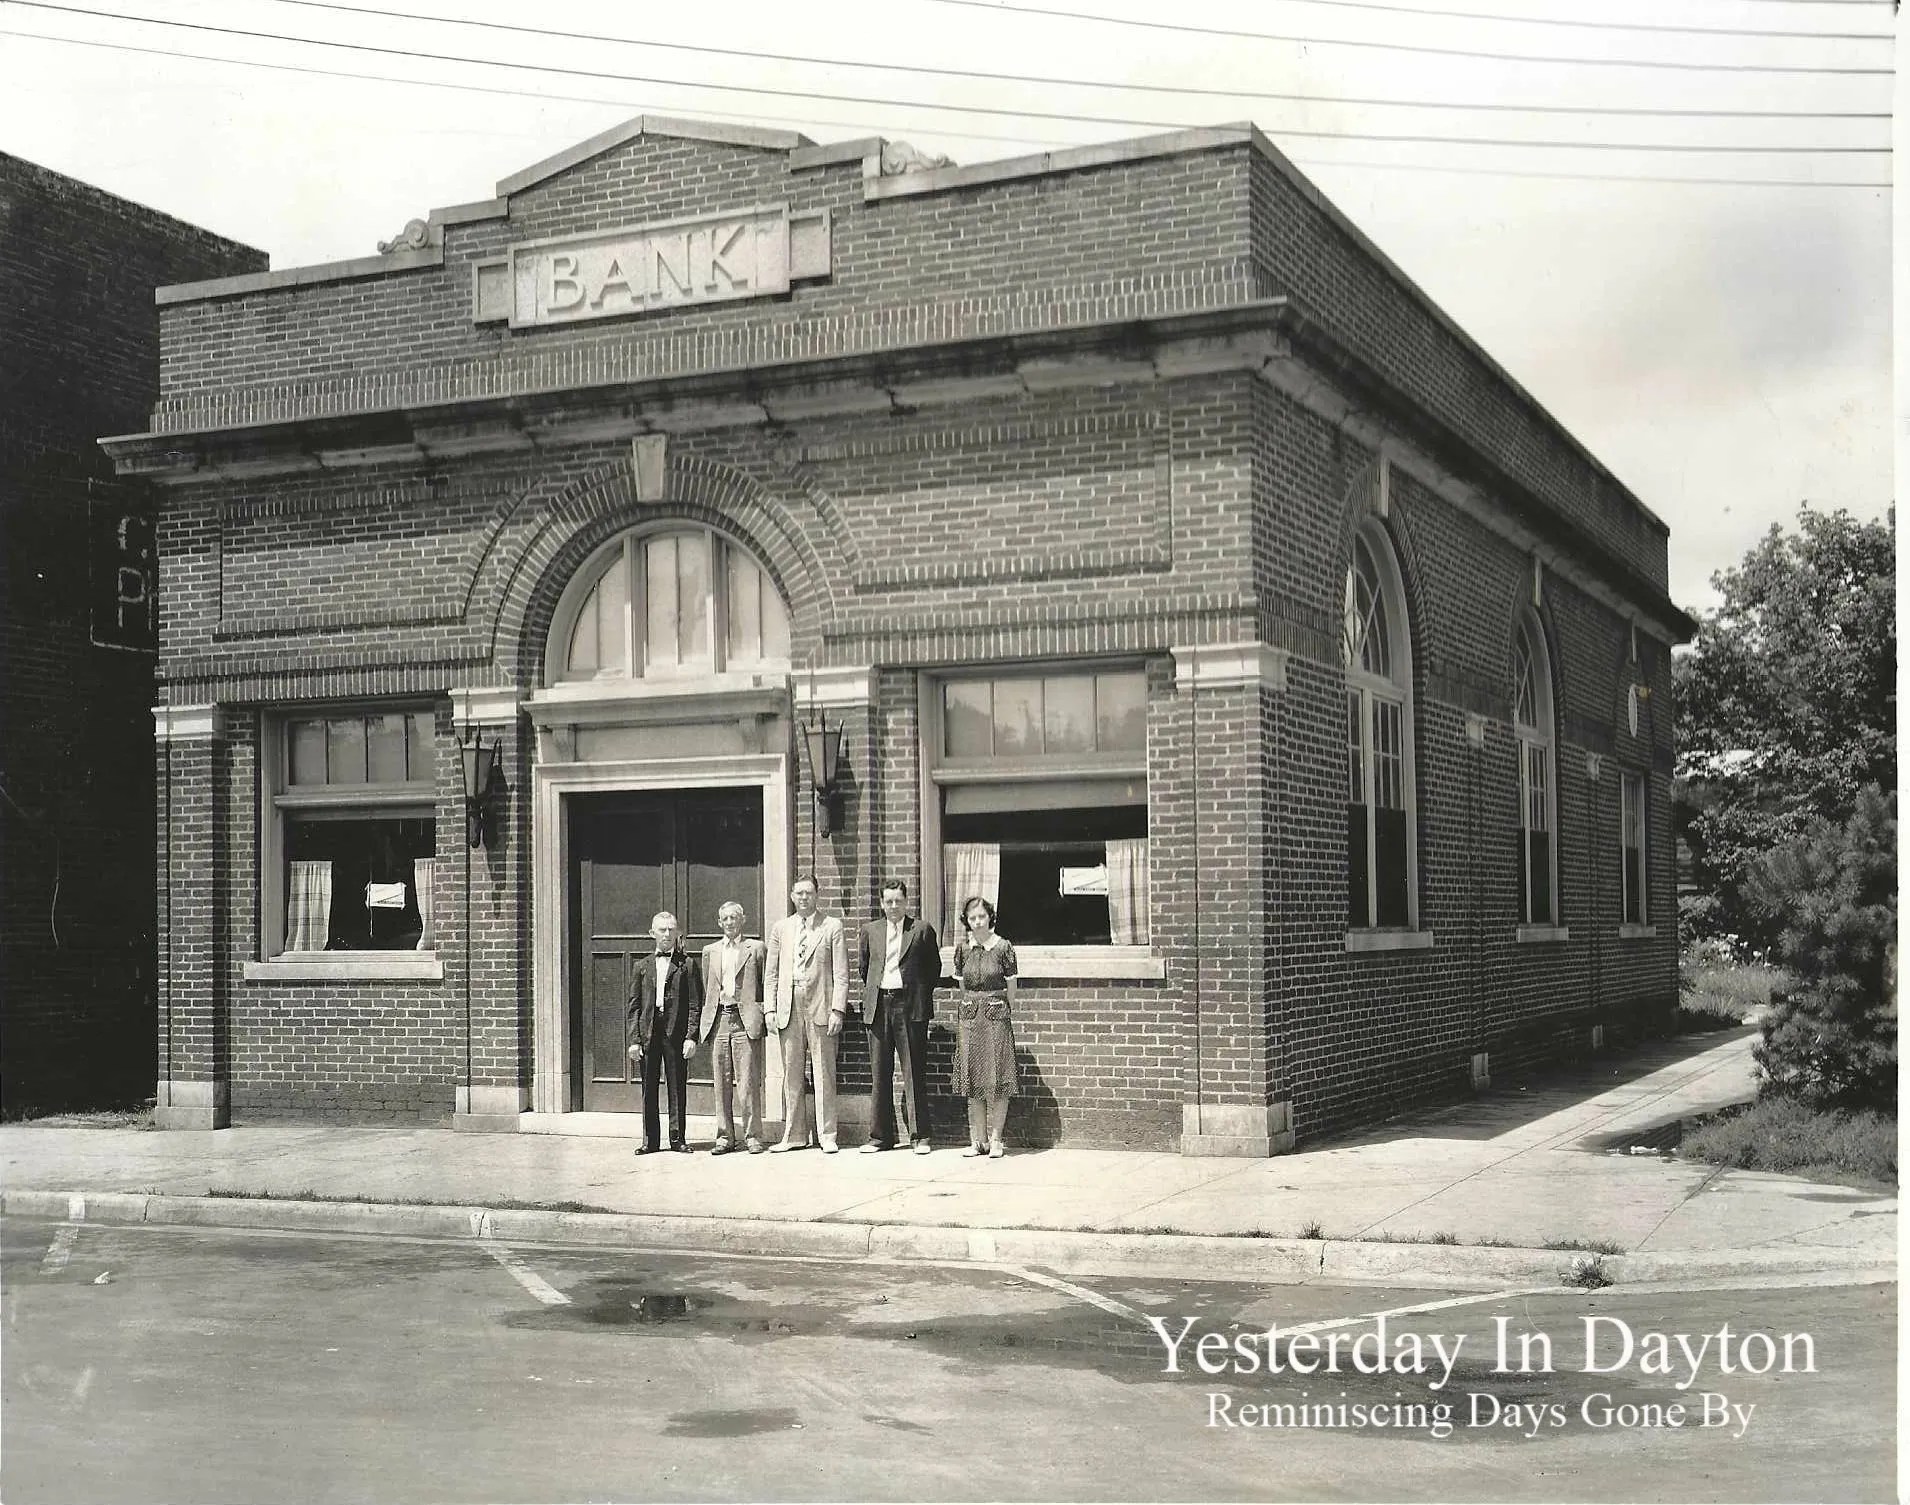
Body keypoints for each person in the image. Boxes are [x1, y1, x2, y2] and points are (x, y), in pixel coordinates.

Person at [763, 872, 850, 1154]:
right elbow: (772, 975)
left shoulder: (832, 926)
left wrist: (838, 1009)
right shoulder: (781, 929)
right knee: (792, 1072)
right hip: (789, 1005)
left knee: (824, 1071)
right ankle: (794, 1134)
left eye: (809, 893)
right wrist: (771, 1009)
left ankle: (827, 1135)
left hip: (821, 1007)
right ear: (792, 896)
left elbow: (841, 972)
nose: (803, 898)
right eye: (799, 893)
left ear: (817, 895)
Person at [857, 879, 939, 1155]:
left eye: (898, 901)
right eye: (888, 901)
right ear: (882, 903)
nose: (894, 906)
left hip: (909, 1007)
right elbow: (864, 967)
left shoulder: (921, 930)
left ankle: (920, 1137)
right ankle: (880, 1137)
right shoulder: (870, 930)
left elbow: (933, 969)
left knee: (913, 1071)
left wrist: (916, 994)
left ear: (906, 901)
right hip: (879, 1005)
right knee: (880, 1073)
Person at [626, 910, 701, 1156]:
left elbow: (694, 1004)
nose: (667, 934)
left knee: (677, 1085)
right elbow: (634, 1006)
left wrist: (691, 1036)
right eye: (662, 930)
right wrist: (634, 1040)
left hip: (675, 1034)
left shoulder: (687, 965)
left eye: (671, 929)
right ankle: (650, 1141)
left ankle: (677, 1139)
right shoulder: (641, 966)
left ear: (677, 932)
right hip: (649, 1032)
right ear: (652, 934)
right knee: (648, 1087)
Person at [698, 900, 768, 1155]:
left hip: (744, 1020)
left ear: (743, 920)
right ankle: (724, 1136)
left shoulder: (756, 949)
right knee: (721, 1081)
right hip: (720, 1020)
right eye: (725, 918)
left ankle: (752, 1136)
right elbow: (708, 987)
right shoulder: (710, 951)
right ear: (719, 922)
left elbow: (763, 983)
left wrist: (759, 1013)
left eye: (734, 917)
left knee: (748, 1080)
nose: (729, 922)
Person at [951, 895, 1018, 1159]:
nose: (977, 922)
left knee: (999, 1077)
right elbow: (962, 986)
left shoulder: (1003, 947)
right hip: (970, 1018)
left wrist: (1003, 1009)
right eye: (972, 918)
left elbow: (1011, 986)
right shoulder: (963, 949)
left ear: (990, 916)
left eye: (981, 916)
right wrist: (972, 1005)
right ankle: (977, 1141)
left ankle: (997, 1139)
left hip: (996, 1018)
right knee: (972, 1078)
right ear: (966, 921)